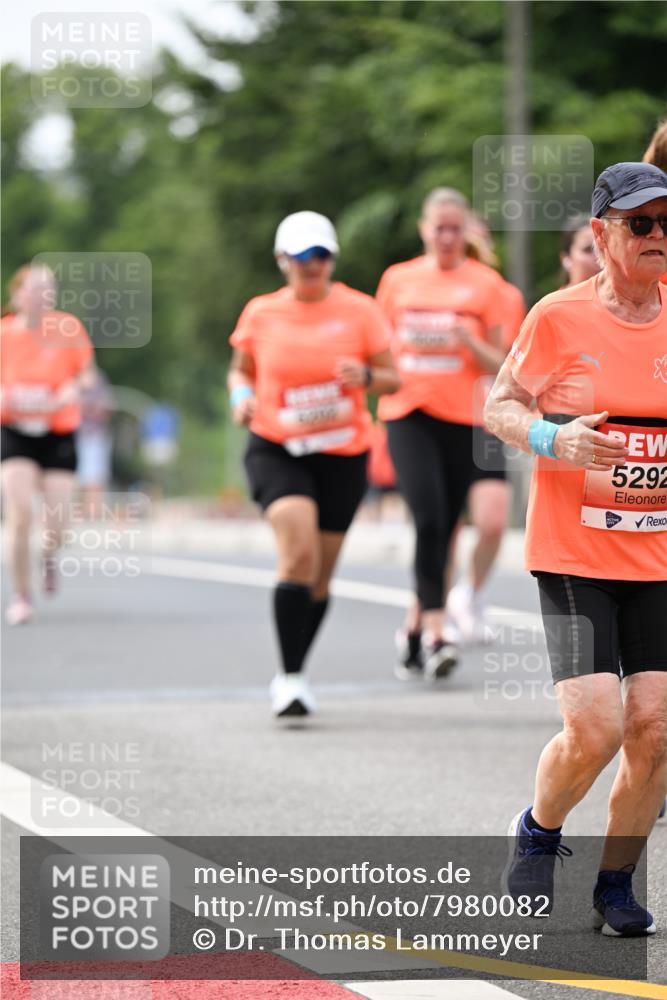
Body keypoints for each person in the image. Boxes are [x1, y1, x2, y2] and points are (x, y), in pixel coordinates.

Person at [485, 162, 667, 936]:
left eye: (666, 223)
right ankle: (537, 830)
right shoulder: (557, 318)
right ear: (599, 234)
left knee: (655, 729)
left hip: (656, 558)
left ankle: (615, 884)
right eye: (640, 223)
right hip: (572, 557)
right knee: (595, 728)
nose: (657, 235)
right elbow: (499, 405)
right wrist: (551, 437)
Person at [228, 211, 399, 718]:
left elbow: (393, 378)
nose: (312, 264)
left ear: (332, 259)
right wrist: (240, 397)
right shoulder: (261, 313)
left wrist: (365, 376)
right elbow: (240, 370)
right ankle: (289, 679)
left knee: (320, 578)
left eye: (321, 255)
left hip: (342, 454)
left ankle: (297, 669)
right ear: (282, 260)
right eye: (302, 256)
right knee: (298, 552)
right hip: (276, 447)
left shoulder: (360, 311)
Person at [377, 188, 508, 678]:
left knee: (447, 525)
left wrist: (469, 341)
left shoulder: (487, 285)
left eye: (456, 229)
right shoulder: (398, 279)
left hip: (466, 418)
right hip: (408, 412)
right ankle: (437, 632)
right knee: (429, 516)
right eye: (440, 228)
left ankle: (414, 629)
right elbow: (378, 347)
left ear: (465, 231)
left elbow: (504, 365)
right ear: (424, 230)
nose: (448, 237)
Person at [446, 215, 526, 644]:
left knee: (492, 521)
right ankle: (434, 615)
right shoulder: (425, 290)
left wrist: (469, 340)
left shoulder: (502, 295)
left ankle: (471, 593)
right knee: (442, 525)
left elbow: (511, 365)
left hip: (485, 422)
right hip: (438, 422)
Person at [1, 264, 95, 624]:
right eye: (37, 287)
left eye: (50, 287)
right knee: (20, 512)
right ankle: (21, 595)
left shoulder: (67, 329)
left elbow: (87, 375)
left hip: (57, 431)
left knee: (58, 524)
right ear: (18, 294)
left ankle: (48, 554)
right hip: (14, 430)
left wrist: (72, 389)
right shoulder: (5, 334)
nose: (45, 294)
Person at [76, 365, 115, 517]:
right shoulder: (67, 375)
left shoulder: (97, 377)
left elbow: (106, 406)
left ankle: (93, 512)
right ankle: (80, 512)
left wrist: (89, 406)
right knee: (75, 478)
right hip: (72, 435)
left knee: (94, 478)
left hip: (93, 436)